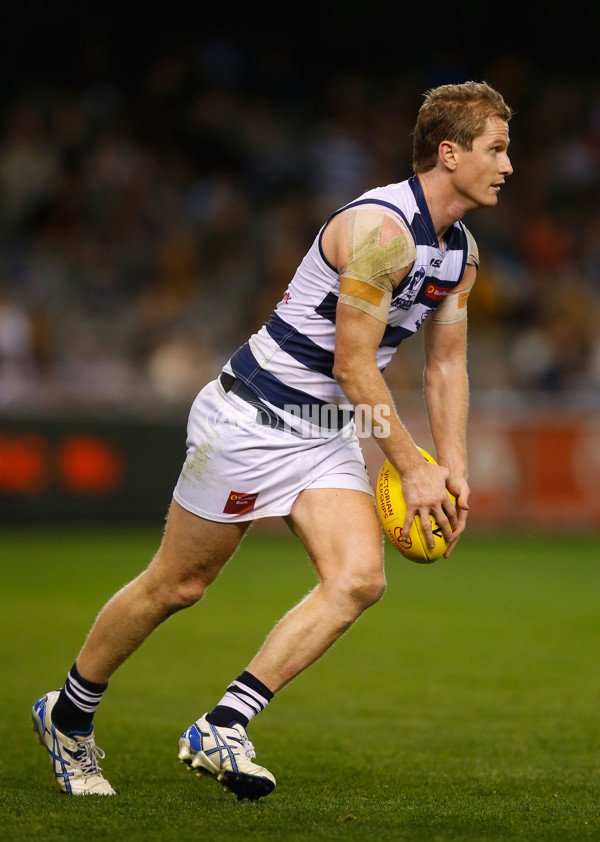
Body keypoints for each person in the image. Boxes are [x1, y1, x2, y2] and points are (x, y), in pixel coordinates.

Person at [32, 80, 513, 800]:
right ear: (449, 153)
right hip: (252, 417)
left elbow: (445, 364)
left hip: (323, 432)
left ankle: (223, 724)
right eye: (497, 149)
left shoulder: (459, 254)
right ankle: (68, 715)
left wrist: (453, 468)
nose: (509, 165)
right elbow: (354, 364)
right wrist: (409, 466)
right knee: (178, 585)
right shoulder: (382, 233)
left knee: (358, 580)